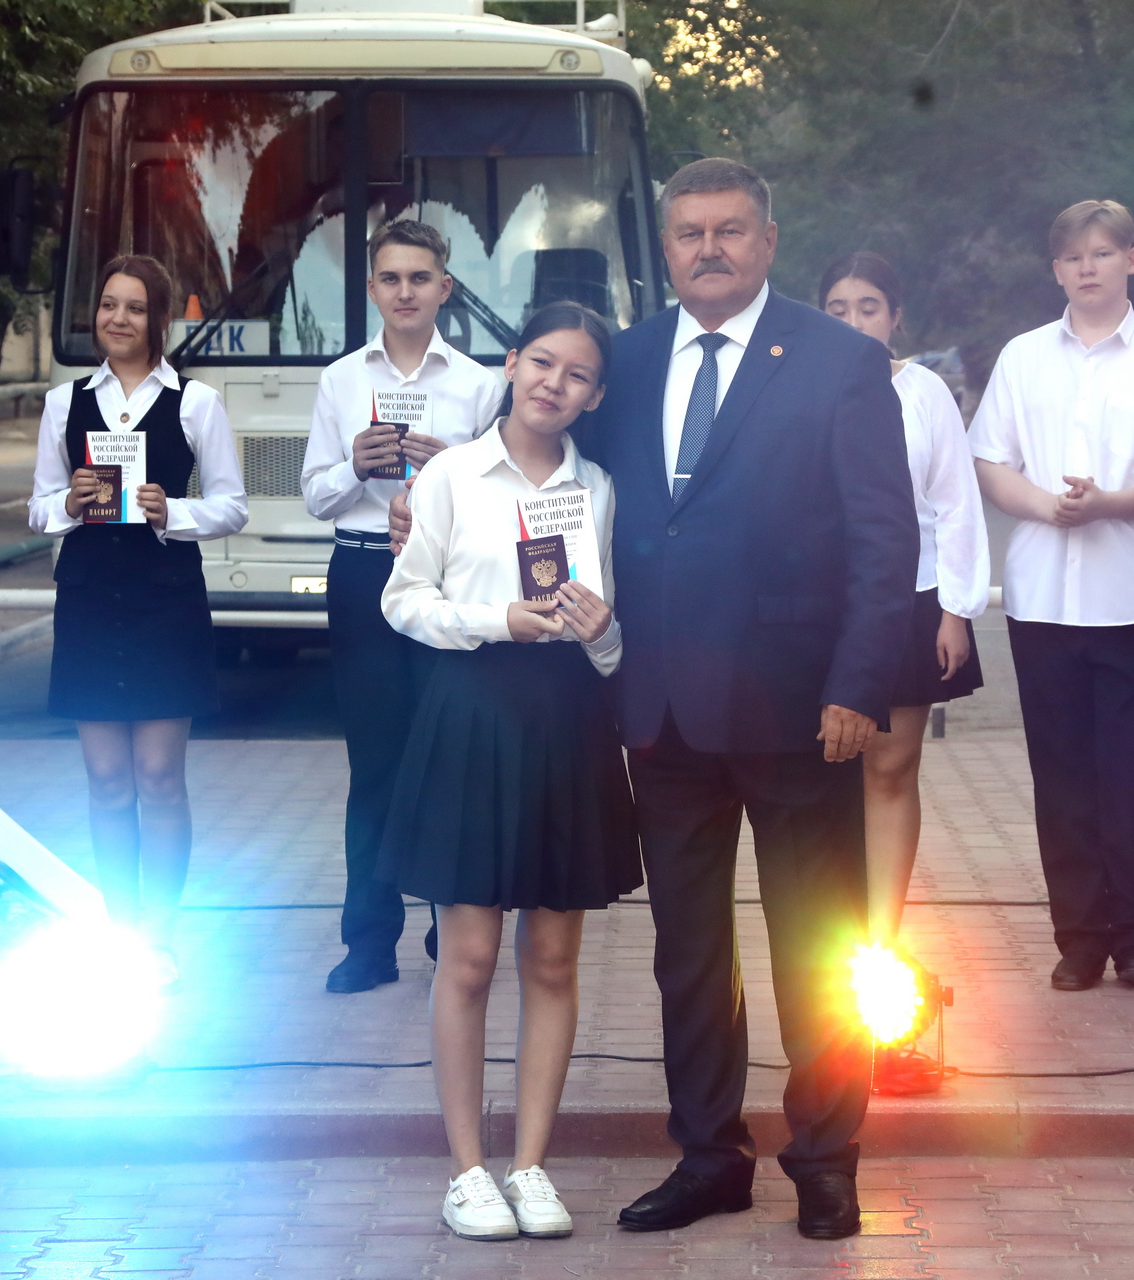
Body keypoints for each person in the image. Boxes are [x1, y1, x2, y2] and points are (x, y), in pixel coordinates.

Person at [581, 158, 915, 1242]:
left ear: (768, 241)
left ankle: (825, 1157)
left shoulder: (842, 361)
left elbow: (884, 539)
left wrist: (860, 683)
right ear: (666, 247)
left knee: (817, 943)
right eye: (689, 233)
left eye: (729, 230)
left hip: (800, 711)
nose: (709, 248)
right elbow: (550, 476)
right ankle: (709, 1154)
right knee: (688, 952)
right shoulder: (625, 360)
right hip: (663, 711)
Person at [380, 301, 641, 1242]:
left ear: (595, 396)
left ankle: (531, 1164)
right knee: (469, 956)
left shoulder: (600, 489)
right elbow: (404, 599)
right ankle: (467, 1171)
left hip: (569, 722)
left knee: (554, 957)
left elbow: (615, 648)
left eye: (577, 375)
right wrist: (498, 621)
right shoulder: (453, 474)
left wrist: (600, 632)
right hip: (473, 712)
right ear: (512, 363)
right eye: (542, 363)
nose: (553, 384)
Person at [969, 199, 1134, 993]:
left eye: (1103, 252)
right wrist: (1047, 507)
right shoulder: (1022, 359)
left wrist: (1111, 504)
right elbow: (990, 460)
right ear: (1056, 270)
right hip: (1044, 601)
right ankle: (1078, 937)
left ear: (1132, 260)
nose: (1088, 267)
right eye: (1074, 256)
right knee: (1063, 780)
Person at [28, 254, 247, 981]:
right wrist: (67, 502)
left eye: (135, 307)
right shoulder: (64, 403)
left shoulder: (196, 402)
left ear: (159, 320)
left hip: (164, 599)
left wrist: (170, 511)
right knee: (106, 780)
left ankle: (160, 935)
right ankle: (119, 933)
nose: (118, 319)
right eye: (108, 304)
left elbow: (232, 506)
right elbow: (38, 507)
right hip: (90, 598)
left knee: (158, 777)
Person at [302, 219, 505, 994]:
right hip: (363, 573)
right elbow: (315, 495)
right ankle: (368, 940)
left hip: (448, 579)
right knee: (375, 765)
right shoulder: (341, 379)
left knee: (450, 758)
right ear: (371, 289)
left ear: (445, 287)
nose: (406, 291)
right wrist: (353, 466)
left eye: (420, 277)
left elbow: (500, 500)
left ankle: (450, 928)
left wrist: (452, 474)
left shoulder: (480, 384)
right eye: (391, 278)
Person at [819, 251, 988, 947]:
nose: (854, 322)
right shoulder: (801, 388)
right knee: (823, 776)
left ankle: (880, 941)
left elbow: (956, 502)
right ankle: (827, 936)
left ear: (895, 318)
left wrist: (956, 610)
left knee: (890, 768)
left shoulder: (924, 393)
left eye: (868, 308)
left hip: (911, 599)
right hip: (817, 607)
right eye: (837, 310)